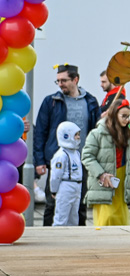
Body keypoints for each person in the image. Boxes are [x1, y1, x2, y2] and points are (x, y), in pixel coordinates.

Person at [34, 64, 100, 226]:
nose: (60, 84)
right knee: (52, 203)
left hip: (83, 160)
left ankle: (79, 234)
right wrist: (39, 160)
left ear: (75, 80)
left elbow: (96, 130)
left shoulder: (90, 101)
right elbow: (40, 132)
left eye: (63, 80)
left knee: (81, 203)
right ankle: (48, 234)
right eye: (58, 81)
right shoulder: (51, 101)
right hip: (58, 159)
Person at [83, 99, 130, 226]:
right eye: (124, 116)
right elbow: (87, 156)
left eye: (128, 116)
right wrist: (101, 174)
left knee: (121, 219)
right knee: (107, 219)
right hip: (104, 182)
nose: (127, 120)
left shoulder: (128, 134)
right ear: (114, 114)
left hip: (122, 181)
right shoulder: (97, 133)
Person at [49, 122, 85, 227]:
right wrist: (54, 190)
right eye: (75, 135)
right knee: (61, 217)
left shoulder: (76, 153)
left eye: (78, 134)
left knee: (73, 218)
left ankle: (71, 235)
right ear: (66, 136)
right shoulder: (61, 155)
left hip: (77, 186)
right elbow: (56, 175)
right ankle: (58, 235)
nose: (78, 137)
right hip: (66, 186)